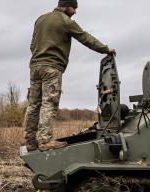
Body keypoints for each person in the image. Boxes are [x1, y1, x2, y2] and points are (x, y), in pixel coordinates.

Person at [24, 0, 115, 151]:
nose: (75, 12)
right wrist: (105, 49)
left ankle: (30, 141)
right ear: (67, 6)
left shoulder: (40, 19)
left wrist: (39, 57)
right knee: (49, 103)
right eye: (74, 8)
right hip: (52, 68)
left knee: (34, 104)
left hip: (34, 67)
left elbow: (32, 44)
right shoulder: (65, 21)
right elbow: (86, 38)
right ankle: (45, 141)